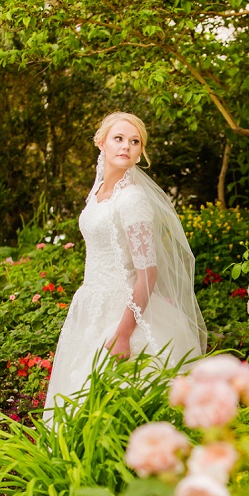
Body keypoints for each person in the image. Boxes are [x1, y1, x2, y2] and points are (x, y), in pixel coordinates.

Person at [43, 113, 207, 425]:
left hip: (125, 310)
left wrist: (124, 333)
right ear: (100, 142)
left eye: (135, 142)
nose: (126, 147)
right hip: (91, 302)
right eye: (119, 139)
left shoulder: (132, 199)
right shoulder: (98, 192)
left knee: (121, 399)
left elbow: (148, 273)